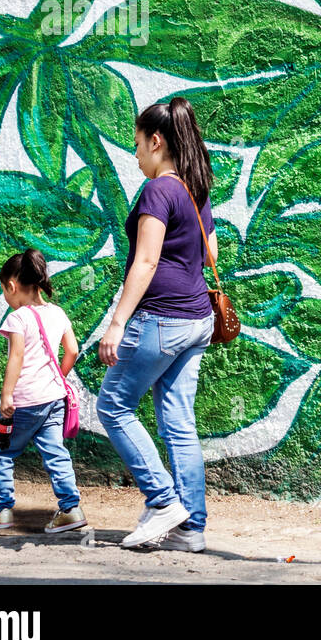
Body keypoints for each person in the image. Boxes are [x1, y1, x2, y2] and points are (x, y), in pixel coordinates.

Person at [96, 96, 217, 552]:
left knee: (113, 406)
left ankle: (163, 500)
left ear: (156, 140)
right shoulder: (194, 188)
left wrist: (116, 323)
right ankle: (191, 530)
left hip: (161, 318)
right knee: (179, 423)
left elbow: (146, 261)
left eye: (137, 145)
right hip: (197, 319)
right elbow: (212, 255)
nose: (135, 154)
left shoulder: (157, 191)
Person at [0, 250, 86, 533]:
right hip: (53, 399)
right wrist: (56, 377)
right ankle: (71, 510)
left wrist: (7, 396)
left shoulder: (17, 318)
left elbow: (16, 358)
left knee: (1, 453)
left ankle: (0, 511)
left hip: (24, 403)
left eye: (3, 291)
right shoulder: (57, 313)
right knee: (56, 453)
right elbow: (72, 350)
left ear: (11, 286)